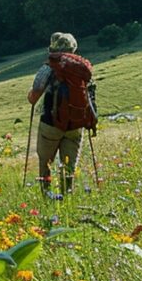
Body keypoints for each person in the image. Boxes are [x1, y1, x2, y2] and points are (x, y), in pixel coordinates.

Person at [27, 32, 96, 195]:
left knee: (45, 162)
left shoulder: (49, 67)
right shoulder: (82, 68)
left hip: (51, 123)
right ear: (74, 49)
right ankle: (67, 196)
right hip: (75, 124)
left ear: (52, 49)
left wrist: (31, 95)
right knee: (69, 166)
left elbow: (33, 97)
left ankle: (47, 195)